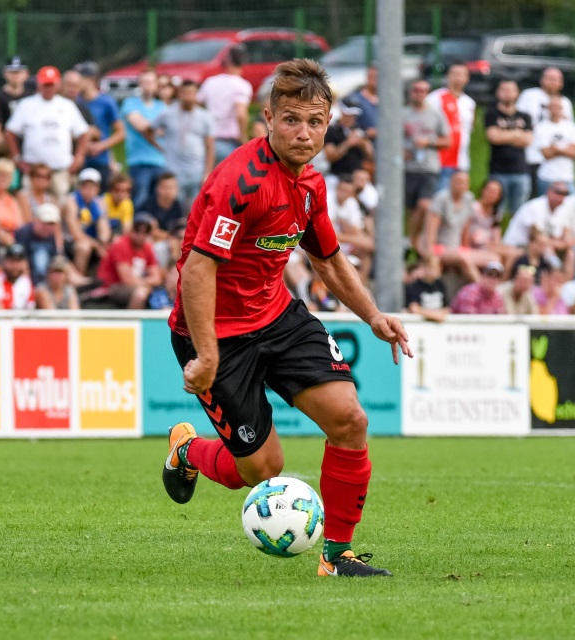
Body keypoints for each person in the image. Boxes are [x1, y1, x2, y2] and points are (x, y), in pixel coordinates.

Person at [162, 59, 410, 579]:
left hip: (277, 316)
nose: (304, 132)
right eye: (292, 119)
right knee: (260, 469)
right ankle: (188, 449)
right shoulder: (241, 181)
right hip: (216, 334)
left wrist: (372, 316)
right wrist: (206, 355)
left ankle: (336, 555)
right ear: (268, 118)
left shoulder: (311, 185)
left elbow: (327, 259)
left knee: (350, 420)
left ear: (328, 124)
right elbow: (196, 272)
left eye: (315, 122)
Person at [5, 66, 89, 201]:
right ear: (39, 84)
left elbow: (83, 133)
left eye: (51, 85)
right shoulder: (27, 105)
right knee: (31, 206)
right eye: (45, 85)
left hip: (60, 171)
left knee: (61, 206)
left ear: (58, 85)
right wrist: (17, 158)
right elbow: (10, 132)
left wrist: (79, 157)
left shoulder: (67, 105)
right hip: (33, 171)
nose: (48, 88)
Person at [152, 79, 214, 209]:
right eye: (185, 93)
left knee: (196, 208)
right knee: (177, 207)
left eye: (192, 93)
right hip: (174, 170)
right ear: (179, 94)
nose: (188, 97)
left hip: (197, 170)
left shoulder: (205, 116)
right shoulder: (167, 113)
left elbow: (210, 146)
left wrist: (207, 172)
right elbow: (149, 129)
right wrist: (158, 146)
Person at [403, 79, 450, 246]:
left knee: (424, 205)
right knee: (411, 208)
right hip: (408, 167)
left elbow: (447, 140)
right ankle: (411, 241)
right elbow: (391, 139)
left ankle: (414, 242)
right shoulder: (403, 114)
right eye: (416, 90)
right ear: (411, 92)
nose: (419, 94)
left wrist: (428, 142)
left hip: (429, 167)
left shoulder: (436, 114)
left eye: (423, 91)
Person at [517, 67, 575, 195]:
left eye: (556, 79)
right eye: (550, 78)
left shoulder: (565, 103)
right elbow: (518, 121)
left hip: (554, 159)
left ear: (561, 83)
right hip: (531, 155)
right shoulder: (529, 96)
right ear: (542, 80)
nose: (553, 82)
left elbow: (569, 131)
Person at [93, 213, 162, 309]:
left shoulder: (148, 247)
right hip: (111, 287)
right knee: (140, 294)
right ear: (131, 230)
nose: (141, 235)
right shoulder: (121, 244)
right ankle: (134, 322)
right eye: (137, 230)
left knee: (151, 293)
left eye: (145, 232)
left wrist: (143, 284)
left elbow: (157, 278)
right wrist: (146, 285)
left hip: (134, 286)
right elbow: (127, 280)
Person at [425, 63, 475, 192]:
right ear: (448, 76)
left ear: (467, 78)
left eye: (462, 74)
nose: (458, 78)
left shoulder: (469, 103)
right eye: (455, 74)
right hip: (440, 160)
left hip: (462, 160)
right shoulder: (435, 98)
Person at [485, 80, 533, 216]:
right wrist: (517, 133)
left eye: (511, 89)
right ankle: (495, 237)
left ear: (517, 93)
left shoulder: (525, 116)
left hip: (521, 171)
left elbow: (528, 140)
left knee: (519, 214)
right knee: (495, 213)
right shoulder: (492, 114)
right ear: (498, 93)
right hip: (498, 171)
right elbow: (493, 137)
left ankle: (515, 238)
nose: (507, 93)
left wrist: (504, 135)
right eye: (504, 89)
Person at [198, 46, 252, 164]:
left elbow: (197, 104)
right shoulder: (242, 85)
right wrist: (243, 137)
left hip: (208, 142)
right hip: (229, 143)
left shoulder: (210, 82)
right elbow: (241, 114)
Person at [75, 62, 125, 188]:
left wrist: (101, 146)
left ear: (90, 79)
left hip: (101, 160)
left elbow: (121, 133)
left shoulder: (106, 102)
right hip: (80, 159)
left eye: (80, 78)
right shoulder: (75, 101)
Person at [121, 70, 167, 205]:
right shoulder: (130, 103)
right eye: (145, 82)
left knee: (158, 201)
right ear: (139, 85)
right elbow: (139, 125)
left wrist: (146, 125)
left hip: (160, 161)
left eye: (151, 82)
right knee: (139, 200)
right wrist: (156, 129)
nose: (148, 86)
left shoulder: (162, 106)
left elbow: (164, 130)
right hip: (138, 161)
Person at [533, 95, 575, 195]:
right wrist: (566, 149)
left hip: (567, 177)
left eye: (558, 107)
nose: (555, 110)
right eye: (552, 107)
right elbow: (546, 154)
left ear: (562, 108)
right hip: (547, 177)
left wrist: (556, 148)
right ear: (548, 109)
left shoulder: (571, 127)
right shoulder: (541, 127)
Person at [502, 185, 569, 249]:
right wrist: (561, 243)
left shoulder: (560, 210)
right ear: (548, 191)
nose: (561, 196)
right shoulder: (535, 206)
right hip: (515, 246)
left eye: (564, 194)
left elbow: (558, 236)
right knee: (544, 248)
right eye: (558, 192)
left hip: (532, 247)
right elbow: (537, 236)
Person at [0, 56, 34, 152]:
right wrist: (2, 144)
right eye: (12, 72)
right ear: (5, 73)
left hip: (29, 142)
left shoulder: (32, 96)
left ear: (26, 74)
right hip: (8, 142)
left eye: (19, 72)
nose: (16, 75)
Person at [324, 102, 372, 179]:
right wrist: (348, 143)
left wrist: (364, 145)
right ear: (342, 114)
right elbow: (330, 157)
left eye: (353, 116)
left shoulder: (358, 129)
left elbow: (370, 156)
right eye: (348, 115)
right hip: (337, 175)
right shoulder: (332, 131)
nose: (351, 118)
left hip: (356, 177)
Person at [0, 243, 35, 310]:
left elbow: (30, 311)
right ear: (3, 261)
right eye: (11, 261)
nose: (15, 266)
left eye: (18, 261)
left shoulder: (26, 282)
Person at [405, 255, 449, 322]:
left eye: (436, 267)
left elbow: (447, 308)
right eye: (431, 267)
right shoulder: (415, 286)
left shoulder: (440, 285)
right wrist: (433, 315)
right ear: (424, 268)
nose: (433, 270)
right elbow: (413, 308)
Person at [351, 66, 379, 141]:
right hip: (364, 143)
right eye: (371, 77)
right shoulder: (357, 98)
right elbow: (350, 124)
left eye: (376, 77)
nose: (374, 80)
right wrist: (365, 133)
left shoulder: (386, 100)